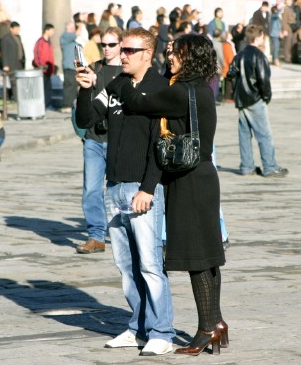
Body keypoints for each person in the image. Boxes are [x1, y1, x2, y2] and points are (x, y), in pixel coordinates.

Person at [107, 33, 227, 356]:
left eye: (176, 53)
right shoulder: (201, 88)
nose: (170, 56)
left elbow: (138, 102)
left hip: (188, 182)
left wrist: (118, 81)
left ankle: (205, 330)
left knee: (197, 260)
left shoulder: (180, 91)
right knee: (209, 258)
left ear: (190, 58)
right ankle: (216, 324)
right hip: (203, 178)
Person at [75, 27, 174, 356]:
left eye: (130, 50)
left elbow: (161, 144)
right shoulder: (116, 85)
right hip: (114, 187)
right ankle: (138, 327)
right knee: (127, 267)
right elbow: (88, 117)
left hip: (141, 189)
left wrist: (148, 187)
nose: (123, 55)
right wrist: (85, 90)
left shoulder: (159, 89)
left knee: (149, 265)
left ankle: (162, 331)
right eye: (123, 49)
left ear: (147, 53)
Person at [74, 27, 123, 255]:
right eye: (103, 44)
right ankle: (95, 236)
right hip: (94, 138)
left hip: (118, 139)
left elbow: (118, 97)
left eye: (112, 44)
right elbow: (85, 102)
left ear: (121, 45)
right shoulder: (96, 67)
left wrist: (97, 82)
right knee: (91, 190)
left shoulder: (126, 70)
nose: (107, 48)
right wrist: (84, 83)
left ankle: (122, 234)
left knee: (118, 191)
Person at [227, 24, 288, 178]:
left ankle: (247, 166)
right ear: (259, 37)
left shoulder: (239, 54)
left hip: (242, 99)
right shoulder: (259, 56)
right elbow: (263, 79)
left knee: (244, 133)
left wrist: (236, 92)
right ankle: (269, 166)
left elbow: (230, 73)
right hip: (254, 98)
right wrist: (266, 96)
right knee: (264, 134)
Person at [32, 23, 57, 110]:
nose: (53, 32)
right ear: (47, 30)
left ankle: (48, 104)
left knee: (48, 88)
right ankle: (41, 105)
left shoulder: (49, 42)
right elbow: (37, 55)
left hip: (49, 70)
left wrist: (52, 67)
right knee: (42, 88)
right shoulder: (40, 42)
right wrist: (41, 66)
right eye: (52, 30)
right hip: (42, 70)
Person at [60, 21, 79, 111]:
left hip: (73, 66)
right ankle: (66, 105)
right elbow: (77, 34)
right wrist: (80, 26)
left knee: (73, 86)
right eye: (72, 27)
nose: (74, 29)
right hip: (68, 66)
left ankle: (71, 104)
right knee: (69, 86)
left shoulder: (71, 39)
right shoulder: (65, 36)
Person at [281, 0, 298, 64]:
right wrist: (284, 29)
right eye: (289, 0)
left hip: (293, 29)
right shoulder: (285, 9)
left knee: (293, 43)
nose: (290, 1)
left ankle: (293, 57)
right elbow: (284, 20)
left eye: (291, 0)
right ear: (285, 1)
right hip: (288, 28)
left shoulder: (291, 8)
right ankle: (287, 58)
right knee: (288, 44)